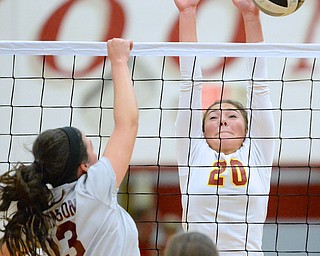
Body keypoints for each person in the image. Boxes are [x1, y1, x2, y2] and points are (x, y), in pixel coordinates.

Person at [0, 38, 140, 256]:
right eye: (91, 147)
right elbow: (127, 123)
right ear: (84, 165)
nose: (98, 154)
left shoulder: (42, 211)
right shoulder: (95, 187)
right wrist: (119, 62)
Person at [174, 0, 275, 255]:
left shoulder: (257, 153)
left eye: (232, 116)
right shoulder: (193, 153)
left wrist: (250, 16)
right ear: (202, 131)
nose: (223, 121)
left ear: (246, 128)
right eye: (213, 117)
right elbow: (190, 84)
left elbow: (259, 87)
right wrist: (187, 13)